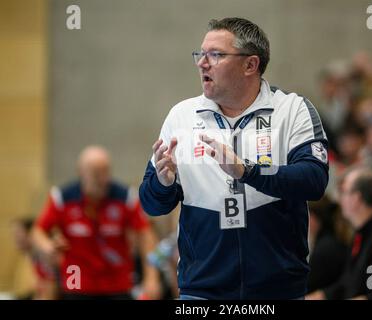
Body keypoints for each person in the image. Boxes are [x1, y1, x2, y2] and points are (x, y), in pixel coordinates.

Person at [139, 17, 329, 299]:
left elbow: (313, 181)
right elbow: (151, 204)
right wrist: (163, 184)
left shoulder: (292, 109)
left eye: (215, 55)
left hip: (278, 289)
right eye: (200, 54)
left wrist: (246, 171)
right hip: (201, 289)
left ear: (250, 65)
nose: (202, 63)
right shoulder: (182, 116)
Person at [32, 146, 162, 299]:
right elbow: (38, 232)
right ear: (81, 173)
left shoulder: (125, 198)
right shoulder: (62, 199)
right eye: (96, 173)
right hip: (76, 283)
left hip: (117, 284)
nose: (103, 179)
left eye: (106, 171)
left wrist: (152, 277)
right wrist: (47, 247)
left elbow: (146, 235)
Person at [306, 169, 372, 299]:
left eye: (343, 192)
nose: (339, 199)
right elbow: (346, 284)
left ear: (356, 198)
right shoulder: (361, 235)